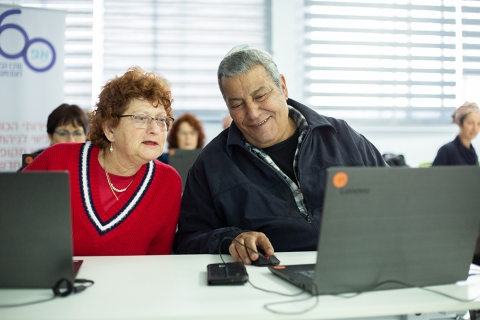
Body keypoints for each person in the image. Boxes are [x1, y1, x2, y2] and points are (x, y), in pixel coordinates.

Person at [173, 45, 387, 263]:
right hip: (266, 280)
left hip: (358, 265)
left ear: (283, 87)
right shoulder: (210, 165)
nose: (253, 113)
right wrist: (230, 240)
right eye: (237, 104)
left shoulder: (341, 137)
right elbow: (188, 241)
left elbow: (397, 199)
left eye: (260, 96)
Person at [24, 66, 182, 256]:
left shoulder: (168, 182)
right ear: (109, 129)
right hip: (55, 283)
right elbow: (11, 221)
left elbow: (157, 263)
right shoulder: (58, 159)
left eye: (161, 120)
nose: (155, 129)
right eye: (141, 118)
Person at [18, 103, 88, 171]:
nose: (71, 140)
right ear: (50, 137)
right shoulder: (35, 161)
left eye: (77, 133)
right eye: (63, 133)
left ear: (86, 136)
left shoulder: (93, 161)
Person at [432, 102, 480, 166]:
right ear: (459, 122)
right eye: (471, 123)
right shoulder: (446, 150)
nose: (475, 128)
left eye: (478, 124)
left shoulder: (472, 153)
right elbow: (433, 175)